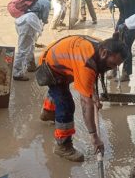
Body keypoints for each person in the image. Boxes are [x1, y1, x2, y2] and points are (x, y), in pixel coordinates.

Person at [39, 34, 128, 162]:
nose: (113, 68)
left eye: (116, 65)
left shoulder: (101, 46)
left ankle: (48, 112)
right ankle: (63, 146)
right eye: (112, 64)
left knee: (59, 93)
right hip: (50, 67)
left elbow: (92, 74)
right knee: (66, 105)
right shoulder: (87, 61)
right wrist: (94, 136)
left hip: (60, 59)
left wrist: (94, 95)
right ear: (104, 53)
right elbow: (86, 102)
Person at [13, 0, 51, 81]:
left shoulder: (37, 1)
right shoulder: (47, 2)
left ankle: (30, 65)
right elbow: (45, 17)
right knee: (23, 50)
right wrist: (45, 21)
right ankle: (17, 73)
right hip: (28, 22)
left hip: (21, 21)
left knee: (31, 45)